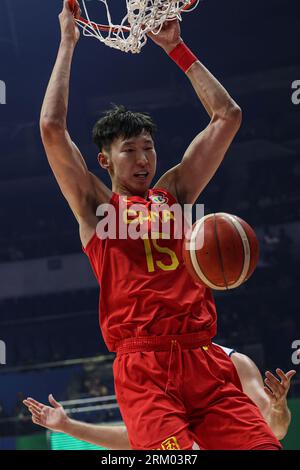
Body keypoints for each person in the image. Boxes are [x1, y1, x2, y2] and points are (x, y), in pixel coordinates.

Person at [39, 0, 280, 449]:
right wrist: (67, 43)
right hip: (144, 367)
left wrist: (177, 47)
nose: (144, 158)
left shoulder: (178, 193)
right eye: (130, 149)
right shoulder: (96, 206)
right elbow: (52, 127)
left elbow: (228, 116)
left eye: (148, 148)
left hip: (204, 359)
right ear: (104, 159)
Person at [23, 350, 295, 449]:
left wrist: (278, 406)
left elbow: (276, 430)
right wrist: (67, 426)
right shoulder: (151, 369)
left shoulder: (234, 362)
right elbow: (136, 441)